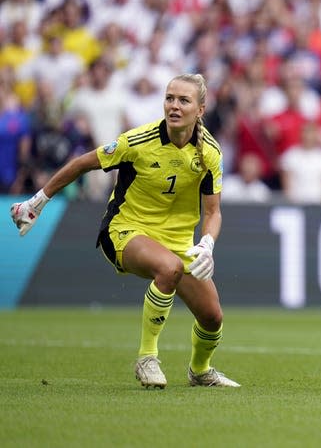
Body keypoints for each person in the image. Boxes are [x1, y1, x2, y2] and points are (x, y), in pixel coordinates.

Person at [10, 73, 240, 390]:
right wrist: (37, 202)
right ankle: (147, 358)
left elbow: (213, 211)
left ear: (200, 110)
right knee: (168, 267)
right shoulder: (138, 141)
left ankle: (200, 371)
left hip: (178, 242)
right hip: (124, 230)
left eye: (183, 100)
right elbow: (82, 163)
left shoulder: (210, 153)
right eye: (170, 98)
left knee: (212, 318)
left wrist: (207, 243)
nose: (174, 106)